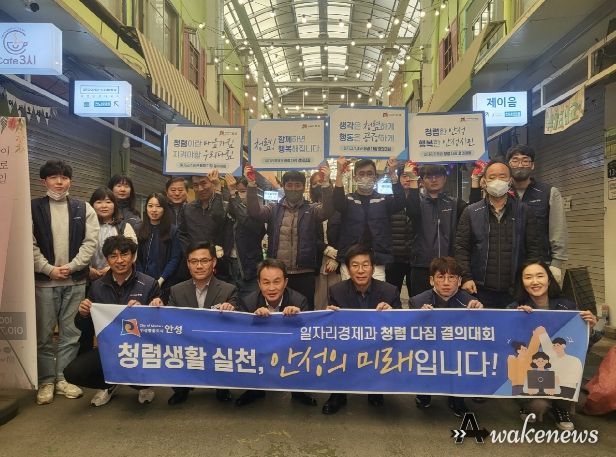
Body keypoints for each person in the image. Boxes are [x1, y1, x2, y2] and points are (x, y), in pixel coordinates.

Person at [64, 235, 161, 407]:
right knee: (72, 373)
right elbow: (86, 328)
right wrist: (83, 314)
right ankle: (109, 384)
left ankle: (143, 386)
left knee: (146, 374)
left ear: (133, 256)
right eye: (113, 256)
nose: (120, 260)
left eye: (124, 254)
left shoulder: (148, 283)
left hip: (141, 349)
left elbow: (160, 326)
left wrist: (145, 311)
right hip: (109, 348)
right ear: (107, 259)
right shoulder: (97, 286)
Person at [32, 160, 99, 405]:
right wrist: (48, 269)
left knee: (71, 334)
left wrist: (71, 267)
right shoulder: (32, 208)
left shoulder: (84, 208)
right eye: (53, 177)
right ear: (44, 181)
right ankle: (46, 381)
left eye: (64, 177)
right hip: (44, 283)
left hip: (75, 282)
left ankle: (63, 379)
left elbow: (90, 243)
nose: (59, 182)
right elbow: (28, 243)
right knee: (43, 336)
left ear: (70, 180)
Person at [509, 260, 597, 430]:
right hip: (533, 371)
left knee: (580, 400)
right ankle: (527, 406)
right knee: (538, 406)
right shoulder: (514, 308)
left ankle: (559, 408)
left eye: (540, 276)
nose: (535, 281)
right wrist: (517, 321)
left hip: (561, 369)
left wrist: (589, 329)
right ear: (522, 282)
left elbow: (582, 347)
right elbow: (509, 344)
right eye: (528, 277)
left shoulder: (568, 306)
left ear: (549, 280)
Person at [323, 244, 401, 415]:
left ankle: (376, 389)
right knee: (331, 346)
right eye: (355, 265)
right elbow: (331, 330)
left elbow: (401, 327)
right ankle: (338, 394)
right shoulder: (337, 291)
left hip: (378, 346)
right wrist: (329, 317)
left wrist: (392, 314)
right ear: (348, 269)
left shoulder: (389, 291)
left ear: (373, 268)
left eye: (365, 265)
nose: (360, 271)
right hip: (348, 345)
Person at [245, 163, 333, 309]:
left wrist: (326, 184)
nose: (293, 188)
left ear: (303, 187)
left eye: (297, 185)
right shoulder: (273, 209)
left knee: (304, 310)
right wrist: (251, 184)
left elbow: (327, 211)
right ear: (284, 187)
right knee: (277, 309)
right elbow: (255, 212)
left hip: (305, 272)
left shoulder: (311, 210)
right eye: (289, 185)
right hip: (277, 272)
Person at [455, 160, 541, 308]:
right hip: (479, 290)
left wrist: (529, 279)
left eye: (502, 176)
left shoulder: (524, 211)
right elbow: (461, 248)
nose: (497, 181)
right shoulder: (471, 212)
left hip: (516, 290)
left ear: (510, 181)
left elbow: (533, 249)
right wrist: (466, 277)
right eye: (492, 177)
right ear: (484, 181)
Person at [166, 241, 239, 405]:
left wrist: (231, 310)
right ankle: (181, 388)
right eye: (194, 261)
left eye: (204, 261)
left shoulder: (228, 290)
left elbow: (237, 323)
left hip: (216, 346)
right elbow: (169, 322)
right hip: (187, 345)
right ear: (188, 264)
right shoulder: (176, 291)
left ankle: (222, 386)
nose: (199, 266)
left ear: (214, 262)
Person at [236, 258, 316, 407]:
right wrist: (254, 320)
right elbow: (241, 337)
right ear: (259, 283)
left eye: (277, 282)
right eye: (266, 282)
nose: (271, 288)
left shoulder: (299, 301)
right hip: (260, 349)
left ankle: (299, 391)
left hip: (289, 350)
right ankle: (254, 390)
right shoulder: (249, 302)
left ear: (285, 282)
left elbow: (309, 336)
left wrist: (298, 319)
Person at [409, 257, 483, 417]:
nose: (446, 282)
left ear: (460, 281)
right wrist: (418, 318)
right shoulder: (418, 302)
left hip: (457, 353)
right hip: (429, 352)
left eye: (452, 277)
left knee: (464, 359)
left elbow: (480, 336)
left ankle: (457, 400)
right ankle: (424, 394)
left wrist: (479, 315)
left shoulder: (471, 302)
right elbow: (409, 337)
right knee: (421, 356)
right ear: (431, 280)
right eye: (441, 277)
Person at [334, 156, 405, 281]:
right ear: (355, 177)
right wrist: (339, 172)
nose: (365, 177)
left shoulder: (383, 199)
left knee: (377, 292)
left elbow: (400, 203)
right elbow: (337, 203)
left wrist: (393, 174)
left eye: (369, 173)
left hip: (377, 260)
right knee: (349, 292)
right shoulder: (348, 200)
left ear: (375, 177)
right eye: (361, 174)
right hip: (350, 258)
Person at [506, 145, 568, 284]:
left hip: (541, 265)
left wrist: (556, 264)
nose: (520, 165)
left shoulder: (549, 192)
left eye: (525, 160)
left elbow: (558, 229)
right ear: (508, 165)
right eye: (515, 160)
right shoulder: (501, 194)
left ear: (532, 165)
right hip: (508, 265)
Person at [405, 163, 467, 297]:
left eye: (437, 176)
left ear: (445, 179)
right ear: (422, 181)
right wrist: (413, 180)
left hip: (449, 267)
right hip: (421, 266)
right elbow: (412, 211)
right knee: (420, 305)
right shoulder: (417, 204)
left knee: (448, 305)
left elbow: (473, 212)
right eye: (428, 177)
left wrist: (476, 183)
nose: (434, 180)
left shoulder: (455, 204)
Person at [220, 175, 265, 298]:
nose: (239, 195)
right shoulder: (229, 213)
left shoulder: (258, 213)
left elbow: (246, 220)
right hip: (229, 269)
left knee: (250, 303)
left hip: (250, 270)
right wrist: (217, 188)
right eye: (237, 191)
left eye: (243, 191)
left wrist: (234, 195)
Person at [136, 193, 182, 303]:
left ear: (164, 209)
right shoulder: (138, 229)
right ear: (146, 207)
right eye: (150, 206)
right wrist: (142, 279)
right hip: (142, 282)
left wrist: (161, 279)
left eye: (158, 206)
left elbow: (175, 258)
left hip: (165, 282)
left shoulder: (173, 231)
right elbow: (136, 258)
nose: (154, 210)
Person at [88, 187, 138, 282]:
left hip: (118, 277)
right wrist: (87, 270)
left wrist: (111, 268)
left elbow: (133, 253)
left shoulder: (124, 227)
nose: (104, 206)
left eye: (108, 202)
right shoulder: (86, 226)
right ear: (92, 205)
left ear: (114, 205)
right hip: (90, 277)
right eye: (99, 202)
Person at [310, 170, 342, 310]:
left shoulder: (339, 208)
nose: (318, 185)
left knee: (337, 298)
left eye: (321, 181)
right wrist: (326, 249)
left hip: (337, 259)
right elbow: (308, 236)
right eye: (315, 183)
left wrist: (337, 258)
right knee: (319, 300)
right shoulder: (309, 209)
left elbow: (345, 234)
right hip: (317, 260)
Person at [178, 170, 226, 257]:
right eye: (196, 185)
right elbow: (182, 235)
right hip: (193, 259)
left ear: (213, 183)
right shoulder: (187, 208)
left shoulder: (225, 208)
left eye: (203, 183)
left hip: (217, 258)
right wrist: (190, 253)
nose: (200, 189)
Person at [385, 165, 414, 300]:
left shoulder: (422, 201)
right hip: (394, 258)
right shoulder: (389, 201)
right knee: (392, 297)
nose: (407, 179)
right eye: (404, 176)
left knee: (416, 297)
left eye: (411, 176)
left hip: (414, 259)